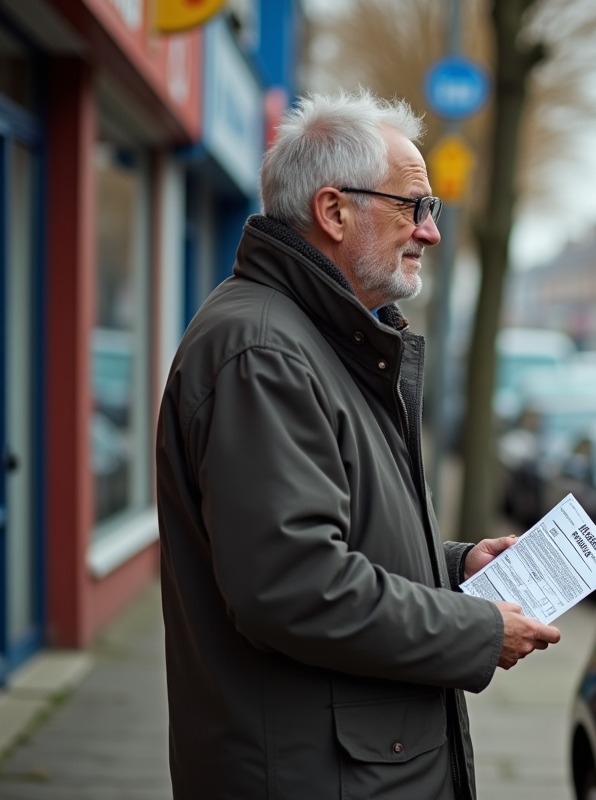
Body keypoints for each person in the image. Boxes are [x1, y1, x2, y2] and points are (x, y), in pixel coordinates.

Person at [155, 90, 561, 800]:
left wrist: (460, 566)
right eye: (414, 206)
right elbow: (292, 585)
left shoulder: (315, 339)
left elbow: (329, 543)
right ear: (335, 210)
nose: (429, 232)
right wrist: (473, 630)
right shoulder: (265, 351)